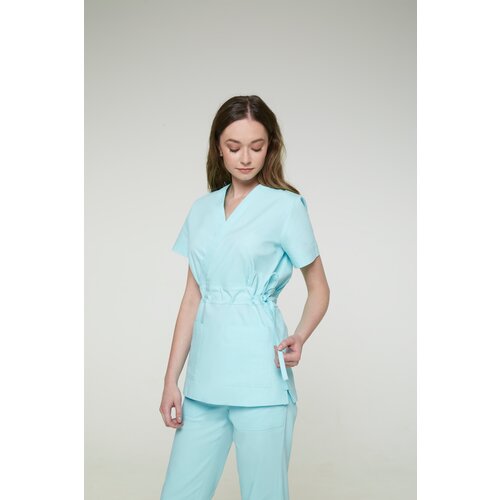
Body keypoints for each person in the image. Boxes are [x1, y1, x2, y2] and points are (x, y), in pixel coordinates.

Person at [159, 95, 330, 499]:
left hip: (261, 378)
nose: (246, 158)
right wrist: (171, 380)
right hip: (204, 382)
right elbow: (191, 299)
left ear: (270, 146)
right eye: (234, 147)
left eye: (257, 146)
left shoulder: (286, 207)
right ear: (218, 147)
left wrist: (300, 335)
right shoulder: (201, 210)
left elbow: (319, 288)